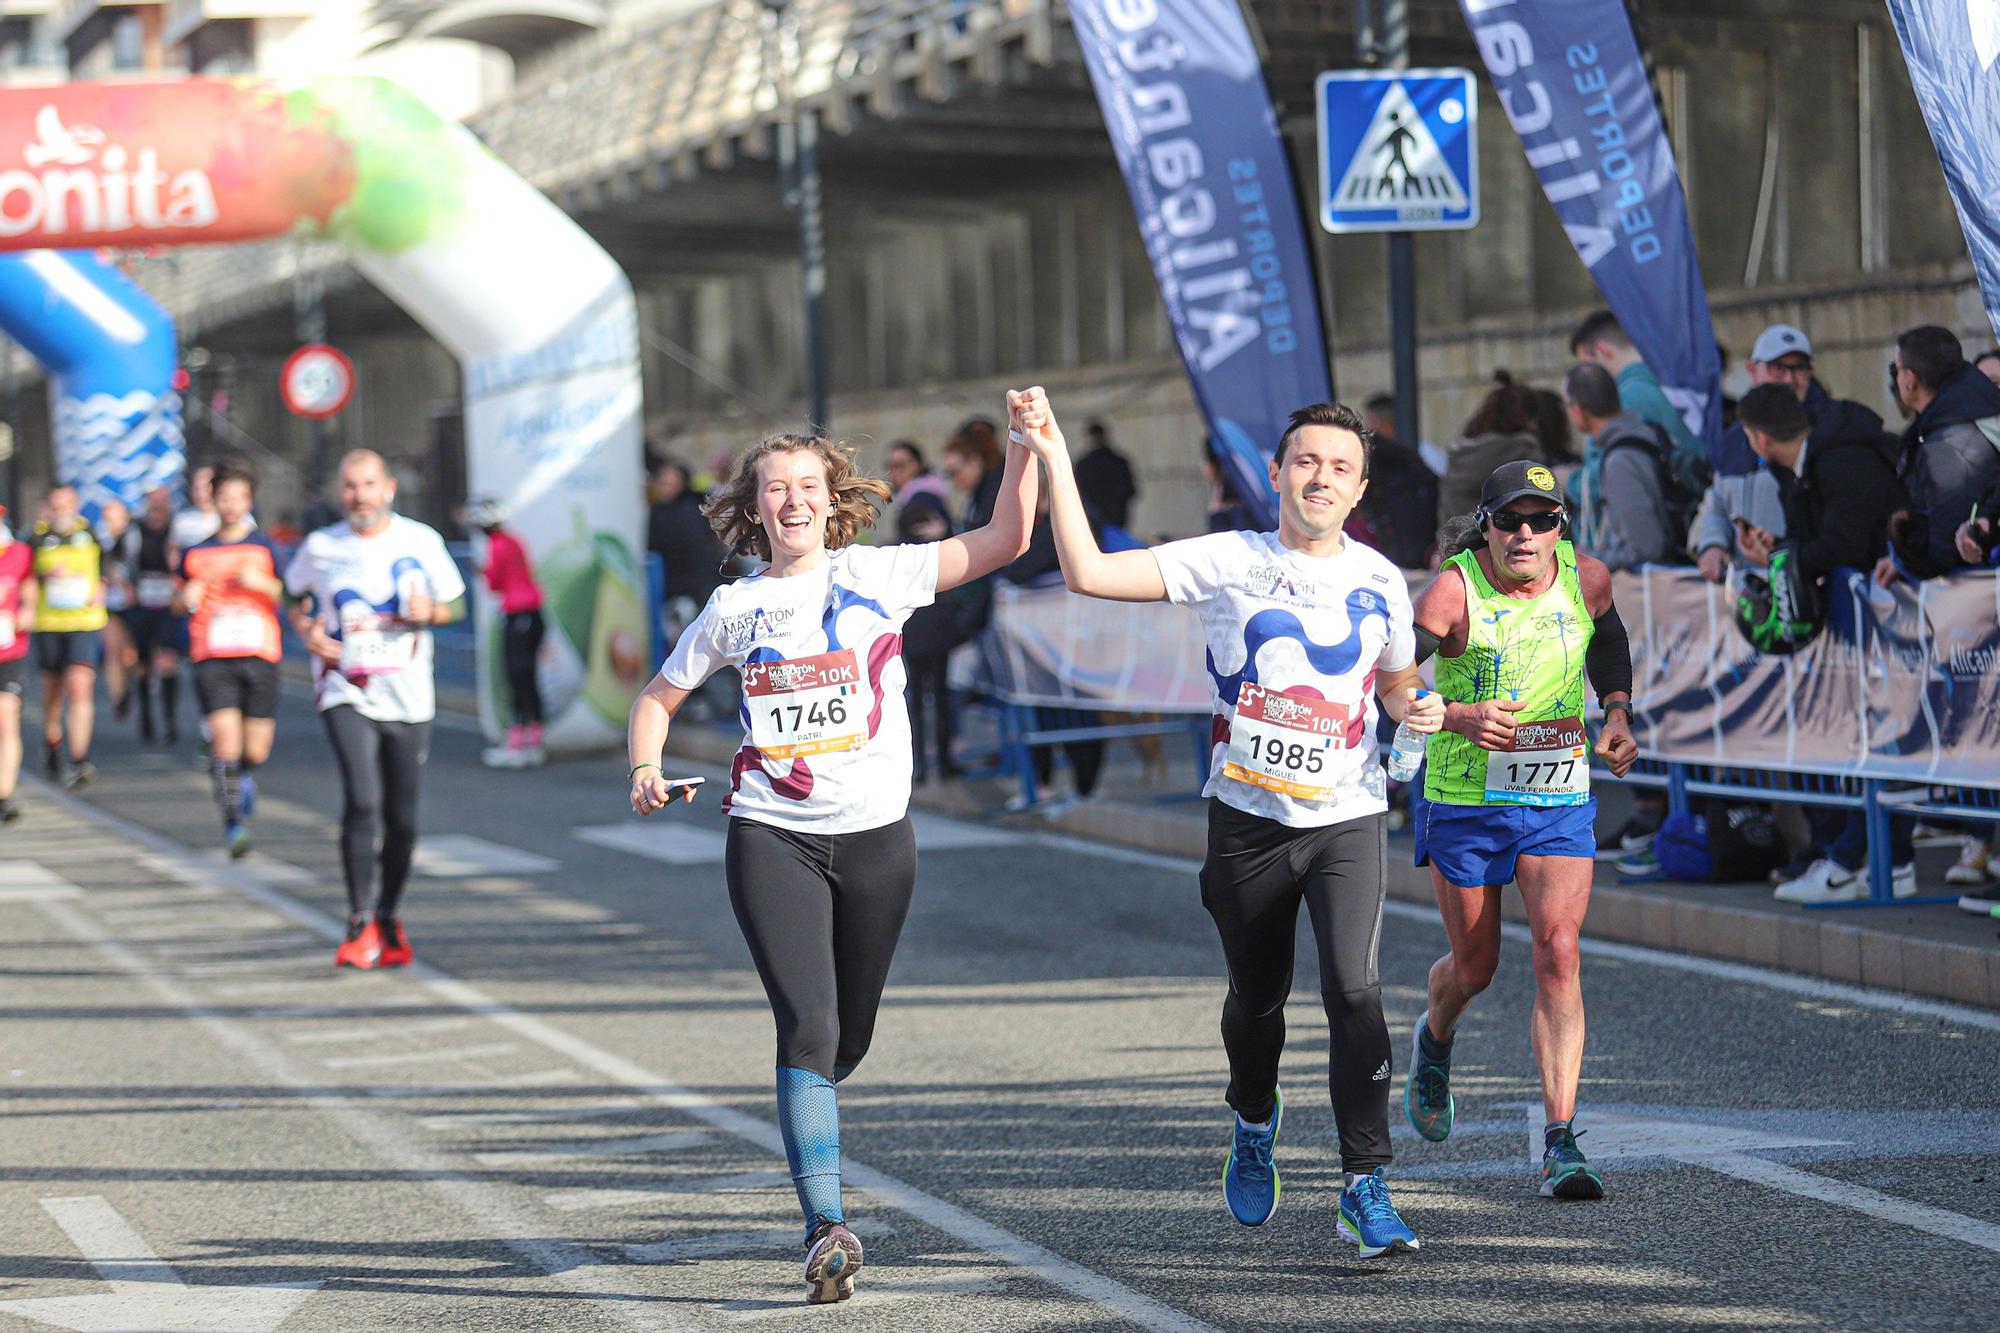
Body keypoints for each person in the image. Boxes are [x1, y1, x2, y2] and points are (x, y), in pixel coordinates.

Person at [1012, 391, 1444, 1259]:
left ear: (1359, 490)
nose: (1322, 478)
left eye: (1341, 468)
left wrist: (1417, 708)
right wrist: (1055, 455)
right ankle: (1254, 1115)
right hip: (1248, 821)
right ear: (1276, 473)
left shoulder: (1380, 578)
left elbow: (1396, 683)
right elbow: (1090, 572)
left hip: (1347, 815)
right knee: (1258, 998)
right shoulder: (1229, 559)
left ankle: (1365, 1183)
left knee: (1355, 991)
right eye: (1308, 462)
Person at [625, 406, 1036, 1304]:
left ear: (833, 500)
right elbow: (656, 697)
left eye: (808, 485)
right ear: (756, 508)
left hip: (879, 838)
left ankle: (814, 1098)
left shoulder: (883, 575)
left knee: (847, 1037)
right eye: (776, 489)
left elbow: (1007, 535)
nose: (793, 500)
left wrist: (1025, 446)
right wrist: (647, 767)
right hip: (772, 832)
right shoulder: (736, 606)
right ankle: (826, 1225)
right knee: (807, 1024)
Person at [1407, 460, 1640, 1201]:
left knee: (1559, 950)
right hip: (1464, 794)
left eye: (1543, 520)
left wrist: (1617, 713)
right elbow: (1387, 678)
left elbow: (1607, 638)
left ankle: (1561, 1141)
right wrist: (1456, 713)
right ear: (1487, 525)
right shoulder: (1453, 590)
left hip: (1556, 792)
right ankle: (1435, 1035)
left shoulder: (1587, 577)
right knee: (1475, 968)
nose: (1526, 534)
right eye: (1510, 519)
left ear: (1560, 528)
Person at [1729, 387, 1918, 904]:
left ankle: (1858, 859)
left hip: (1891, 626)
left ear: (1759, 437)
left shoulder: (1841, 461)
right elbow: (1815, 540)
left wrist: (1788, 558)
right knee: (1872, 741)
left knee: (1883, 742)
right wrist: (1779, 551)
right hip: (1868, 627)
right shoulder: (1804, 468)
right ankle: (1885, 860)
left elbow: (1846, 544)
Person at [285, 450, 467, 971]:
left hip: (409, 695)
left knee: (402, 819)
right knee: (362, 801)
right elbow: (290, 593)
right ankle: (358, 919)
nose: (358, 495)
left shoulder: (421, 541)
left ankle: (388, 913)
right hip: (346, 688)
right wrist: (307, 632)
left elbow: (455, 603)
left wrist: (429, 611)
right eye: (348, 486)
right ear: (339, 493)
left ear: (387, 488)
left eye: (367, 484)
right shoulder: (321, 547)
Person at [178, 461, 287, 859]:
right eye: (224, 497)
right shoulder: (195, 552)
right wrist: (184, 598)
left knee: (255, 750)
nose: (231, 505)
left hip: (259, 654)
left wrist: (264, 585)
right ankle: (233, 825)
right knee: (225, 741)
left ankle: (240, 775)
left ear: (249, 501)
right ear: (214, 500)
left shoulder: (266, 547)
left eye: (239, 497)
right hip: (212, 655)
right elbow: (178, 600)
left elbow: (292, 594)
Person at [1880, 325, 2000, 585]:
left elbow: (1945, 551)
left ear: (1910, 379)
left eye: (1896, 370)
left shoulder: (1950, 444)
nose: (1896, 378)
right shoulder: (1965, 414)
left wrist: (1903, 541)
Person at [885, 442, 958, 782]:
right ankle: (938, 763)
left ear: (917, 464)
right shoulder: (929, 496)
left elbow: (914, 545)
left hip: (923, 611)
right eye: (891, 465)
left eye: (900, 464)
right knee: (936, 693)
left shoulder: (920, 500)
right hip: (933, 611)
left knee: (920, 694)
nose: (894, 472)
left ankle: (926, 765)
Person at [1562, 364, 1677, 569]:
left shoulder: (1621, 461)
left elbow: (1644, 548)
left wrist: (1587, 559)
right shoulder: (1644, 433)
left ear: (1578, 410)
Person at [30, 486, 105, 788]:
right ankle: (52, 738)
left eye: (67, 505)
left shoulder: (90, 534)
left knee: (80, 684)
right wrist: (47, 577)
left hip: (84, 622)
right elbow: (22, 575)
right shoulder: (36, 538)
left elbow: (107, 567)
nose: (63, 512)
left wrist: (102, 586)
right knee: (54, 690)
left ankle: (79, 758)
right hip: (49, 623)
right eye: (56, 506)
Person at [467, 496, 547, 769]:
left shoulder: (496, 545)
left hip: (518, 614)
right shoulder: (513, 539)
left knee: (516, 677)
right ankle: (533, 740)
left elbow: (494, 583)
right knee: (528, 677)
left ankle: (517, 743)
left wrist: (482, 571)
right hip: (533, 613)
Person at [1569, 310, 1705, 467]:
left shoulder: (1622, 400)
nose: (1586, 375)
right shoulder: (1677, 382)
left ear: (1602, 350)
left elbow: (1604, 474)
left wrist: (1569, 480)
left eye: (1586, 365)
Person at [1437, 373, 1548, 529]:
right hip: (1508, 546)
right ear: (1530, 420)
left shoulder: (1459, 455)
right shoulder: (1525, 453)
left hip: (1458, 546)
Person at [123, 487, 186, 745]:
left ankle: (170, 720)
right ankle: (146, 715)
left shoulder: (177, 529)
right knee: (144, 664)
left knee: (168, 660)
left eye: (163, 503)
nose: (159, 508)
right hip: (143, 600)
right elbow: (123, 562)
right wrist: (130, 588)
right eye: (154, 503)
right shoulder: (135, 530)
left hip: (169, 602)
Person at [1357, 393, 1440, 569]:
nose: (1365, 429)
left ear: (1382, 423)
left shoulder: (1423, 455)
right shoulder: (1429, 454)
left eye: (1369, 422)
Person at [646, 456, 724, 611]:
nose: (665, 488)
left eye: (670, 483)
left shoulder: (689, 511)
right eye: (663, 483)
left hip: (696, 588)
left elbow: (700, 551)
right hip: (674, 588)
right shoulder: (659, 511)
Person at [0, 506, 33, 822]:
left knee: (7, 715)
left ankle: (4, 795)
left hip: (8, 651)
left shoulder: (19, 553)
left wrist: (28, 607)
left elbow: (29, 587)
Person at [1073, 419, 1138, 532]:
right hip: (1118, 518)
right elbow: (1131, 490)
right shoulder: (1119, 462)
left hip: (1092, 522)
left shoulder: (1084, 464)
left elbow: (1077, 494)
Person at [169, 465, 220, 550]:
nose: (200, 494)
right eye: (196, 488)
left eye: (205, 487)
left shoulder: (234, 517)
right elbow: (173, 550)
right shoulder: (182, 520)